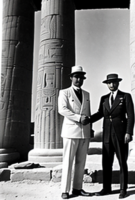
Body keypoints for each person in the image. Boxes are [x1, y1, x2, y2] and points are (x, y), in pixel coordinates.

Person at [90, 73, 135, 199]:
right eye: (109, 83)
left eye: (114, 82)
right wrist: (88, 120)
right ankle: (106, 188)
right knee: (106, 162)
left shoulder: (125, 96)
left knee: (122, 162)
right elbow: (100, 113)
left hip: (121, 135)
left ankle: (123, 189)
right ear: (107, 84)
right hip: (107, 135)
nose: (111, 85)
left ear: (118, 83)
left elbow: (130, 116)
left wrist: (129, 132)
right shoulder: (104, 98)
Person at [58, 66, 92, 199]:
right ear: (71, 77)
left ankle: (78, 188)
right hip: (70, 131)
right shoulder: (64, 92)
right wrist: (78, 118)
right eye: (76, 76)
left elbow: (88, 113)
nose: (78, 79)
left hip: (85, 131)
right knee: (68, 161)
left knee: (81, 162)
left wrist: (91, 127)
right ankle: (65, 190)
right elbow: (62, 109)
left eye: (81, 77)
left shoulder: (87, 94)